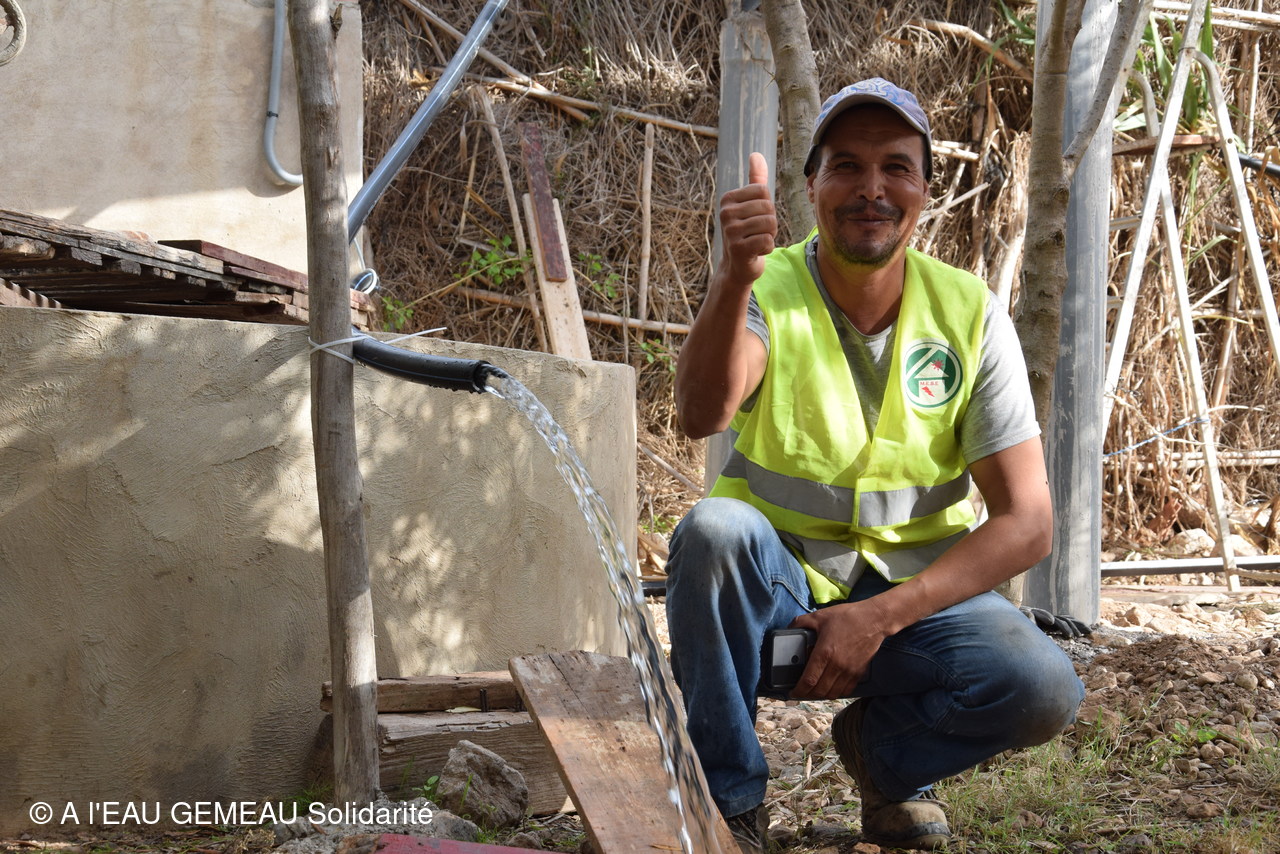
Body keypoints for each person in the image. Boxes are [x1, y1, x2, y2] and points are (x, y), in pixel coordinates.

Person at [666, 78, 1087, 852]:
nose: (872, 189)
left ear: (925, 190)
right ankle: (728, 805)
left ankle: (883, 760)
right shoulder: (767, 288)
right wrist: (732, 278)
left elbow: (1028, 523)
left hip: (910, 615)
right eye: (846, 167)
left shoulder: (967, 311)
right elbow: (701, 414)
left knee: (1042, 685)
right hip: (779, 607)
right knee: (713, 530)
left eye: (896, 167)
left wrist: (881, 616)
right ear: (810, 186)